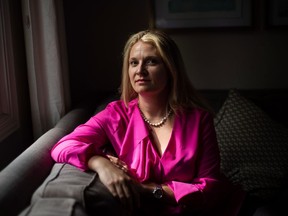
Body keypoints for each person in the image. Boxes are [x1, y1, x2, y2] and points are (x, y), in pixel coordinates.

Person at [27, 29, 244, 216]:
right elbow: (63, 146)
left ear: (170, 69)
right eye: (133, 63)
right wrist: (99, 163)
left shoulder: (199, 120)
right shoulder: (115, 115)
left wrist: (148, 190)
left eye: (151, 61)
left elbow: (211, 188)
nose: (139, 70)